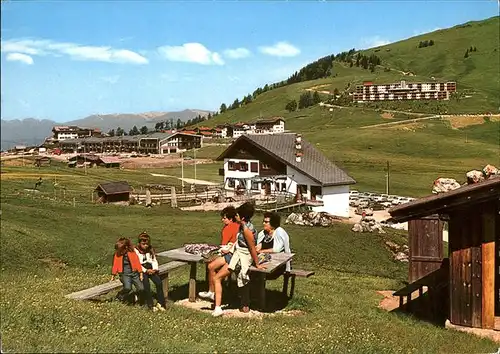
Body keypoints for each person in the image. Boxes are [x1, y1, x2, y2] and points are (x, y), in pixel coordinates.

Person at [212, 202, 266, 317]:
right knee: (237, 278)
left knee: (217, 277)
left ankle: (218, 307)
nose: (235, 216)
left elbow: (252, 249)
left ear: (242, 218)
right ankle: (244, 304)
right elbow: (240, 242)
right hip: (237, 254)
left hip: (243, 257)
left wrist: (257, 264)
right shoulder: (244, 226)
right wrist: (230, 248)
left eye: (237, 215)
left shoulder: (247, 230)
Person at [198, 206, 239, 301]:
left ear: (231, 219)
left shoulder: (228, 228)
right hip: (234, 252)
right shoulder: (238, 226)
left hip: (229, 253)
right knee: (212, 265)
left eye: (224, 218)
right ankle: (215, 289)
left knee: (210, 265)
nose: (222, 220)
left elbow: (223, 244)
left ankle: (211, 291)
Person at [135, 232, 166, 312]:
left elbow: (153, 260)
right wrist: (146, 270)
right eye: (143, 244)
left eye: (147, 244)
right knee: (146, 285)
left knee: (158, 282)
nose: (145, 246)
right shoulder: (136, 251)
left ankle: (161, 303)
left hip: (150, 267)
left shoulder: (150, 249)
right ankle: (150, 305)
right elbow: (136, 264)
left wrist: (155, 269)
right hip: (141, 269)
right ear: (139, 243)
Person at [111, 237, 144, 305]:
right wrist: (113, 275)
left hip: (134, 273)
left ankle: (136, 296)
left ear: (126, 247)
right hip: (124, 274)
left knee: (141, 288)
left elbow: (137, 263)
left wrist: (140, 273)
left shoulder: (132, 253)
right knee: (127, 287)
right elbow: (115, 265)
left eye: (121, 250)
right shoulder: (118, 254)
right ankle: (119, 296)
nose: (119, 251)